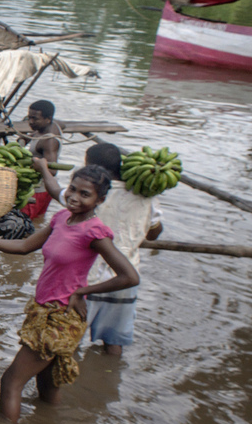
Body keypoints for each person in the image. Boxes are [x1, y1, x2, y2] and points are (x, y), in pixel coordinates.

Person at [0, 165, 139, 423]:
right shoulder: (61, 219)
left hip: (60, 317)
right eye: (72, 189)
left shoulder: (94, 232)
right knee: (47, 384)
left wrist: (83, 291)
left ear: (99, 200)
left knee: (11, 381)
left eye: (85, 194)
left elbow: (129, 277)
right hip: (43, 309)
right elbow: (24, 246)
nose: (75, 197)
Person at [35, 142, 163, 356]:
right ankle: (107, 381)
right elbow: (153, 233)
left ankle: (66, 385)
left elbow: (56, 190)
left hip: (87, 281)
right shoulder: (147, 196)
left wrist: (42, 169)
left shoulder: (88, 194)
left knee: (68, 341)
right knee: (113, 343)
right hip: (122, 279)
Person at [20, 100, 63, 221]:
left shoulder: (48, 141)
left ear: (48, 118)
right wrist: (27, 137)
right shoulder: (54, 125)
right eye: (29, 118)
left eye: (35, 119)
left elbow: (53, 171)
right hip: (46, 191)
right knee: (37, 221)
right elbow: (62, 124)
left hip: (38, 191)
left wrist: (35, 165)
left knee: (23, 223)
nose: (31, 122)